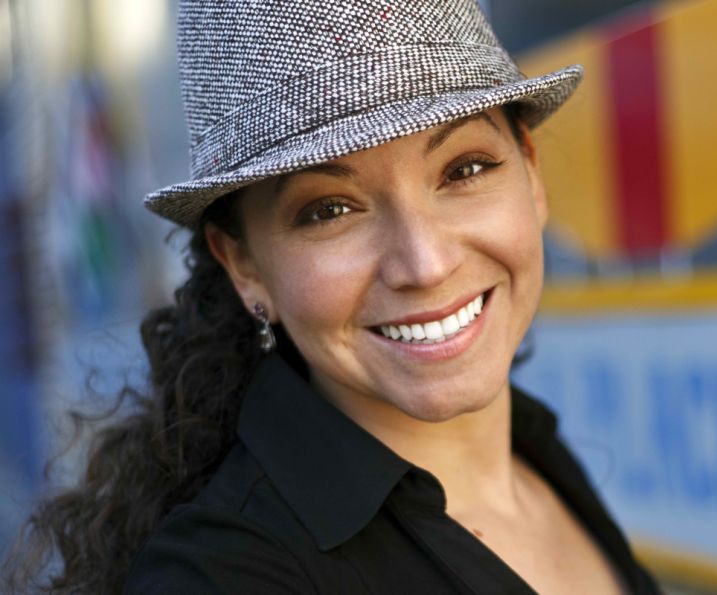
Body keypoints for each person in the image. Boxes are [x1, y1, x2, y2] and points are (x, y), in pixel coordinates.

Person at [3, 1, 662, 593]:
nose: (426, 264)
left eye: (464, 169)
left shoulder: (536, 455)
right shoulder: (223, 576)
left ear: (530, 173)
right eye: (329, 210)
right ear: (244, 266)